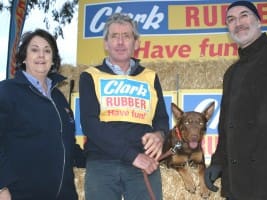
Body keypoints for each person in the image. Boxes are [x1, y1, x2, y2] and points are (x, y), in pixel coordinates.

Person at [204, 1, 267, 200]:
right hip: (239, 185)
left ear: (259, 22)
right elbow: (225, 126)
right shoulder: (231, 73)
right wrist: (218, 162)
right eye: (231, 20)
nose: (238, 23)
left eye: (244, 15)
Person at [79, 13, 169, 200]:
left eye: (126, 36)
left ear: (136, 43)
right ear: (106, 43)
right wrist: (133, 156)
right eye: (114, 36)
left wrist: (160, 135)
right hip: (102, 164)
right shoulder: (90, 76)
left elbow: (161, 118)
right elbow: (90, 125)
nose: (120, 42)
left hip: (145, 164)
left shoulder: (150, 76)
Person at [0, 29, 85, 200]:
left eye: (47, 50)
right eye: (34, 49)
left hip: (65, 195)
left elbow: (68, 145)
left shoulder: (59, 97)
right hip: (21, 194)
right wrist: (2, 187)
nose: (41, 55)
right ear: (24, 57)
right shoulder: (6, 92)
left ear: (53, 60)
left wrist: (106, 156)